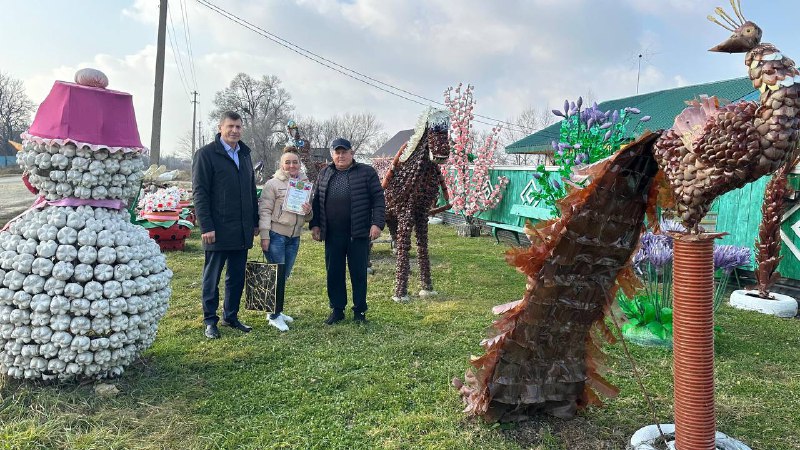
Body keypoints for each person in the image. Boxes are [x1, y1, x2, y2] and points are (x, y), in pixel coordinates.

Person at [193, 111, 259, 339]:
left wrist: (255, 221)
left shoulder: (246, 154)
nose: (235, 130)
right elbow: (200, 193)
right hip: (217, 229)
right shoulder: (206, 154)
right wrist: (206, 226)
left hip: (241, 229)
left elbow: (251, 190)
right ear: (220, 127)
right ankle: (210, 320)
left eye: (239, 127)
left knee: (236, 276)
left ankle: (231, 315)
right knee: (212, 277)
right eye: (230, 126)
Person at [310, 137, 385, 324]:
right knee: (334, 273)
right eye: (337, 152)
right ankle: (337, 310)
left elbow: (378, 199)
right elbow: (317, 202)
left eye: (344, 152)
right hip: (333, 234)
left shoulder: (366, 172)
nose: (341, 155)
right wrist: (315, 225)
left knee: (358, 273)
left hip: (358, 232)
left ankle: (359, 311)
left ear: (352, 153)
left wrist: (377, 224)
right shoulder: (325, 173)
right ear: (332, 155)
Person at [258, 148, 313, 331]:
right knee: (276, 276)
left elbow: (307, 216)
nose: (291, 165)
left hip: (294, 237)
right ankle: (273, 315)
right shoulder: (273, 184)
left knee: (284, 275)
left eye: (295, 162)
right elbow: (264, 210)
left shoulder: (305, 184)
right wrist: (265, 235)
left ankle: (277, 310)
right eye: (287, 162)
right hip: (276, 236)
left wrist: (308, 211)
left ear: (299, 164)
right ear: (281, 165)